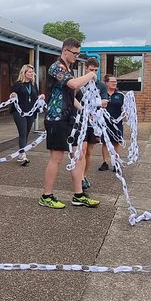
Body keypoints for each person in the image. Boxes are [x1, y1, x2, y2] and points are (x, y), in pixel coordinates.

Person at [40, 38, 101, 209]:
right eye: (74, 53)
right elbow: (73, 84)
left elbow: (71, 96)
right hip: (56, 118)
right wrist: (90, 74)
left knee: (78, 155)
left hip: (69, 118)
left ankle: (78, 194)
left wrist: (83, 110)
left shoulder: (69, 68)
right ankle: (47, 195)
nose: (76, 56)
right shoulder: (56, 68)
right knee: (57, 157)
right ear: (65, 51)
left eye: (78, 53)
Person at [75, 57, 101, 189]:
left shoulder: (99, 85)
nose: (93, 72)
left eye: (96, 70)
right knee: (82, 149)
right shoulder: (79, 83)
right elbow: (71, 97)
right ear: (86, 69)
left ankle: (84, 175)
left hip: (93, 123)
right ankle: (79, 178)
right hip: (79, 121)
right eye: (91, 70)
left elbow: (104, 101)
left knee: (89, 151)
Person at [9, 64, 42, 166]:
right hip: (19, 112)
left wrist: (41, 97)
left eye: (32, 72)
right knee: (22, 132)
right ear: (24, 73)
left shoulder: (33, 85)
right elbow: (11, 95)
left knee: (27, 132)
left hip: (30, 111)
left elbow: (36, 96)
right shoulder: (18, 84)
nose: (32, 74)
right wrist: (13, 95)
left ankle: (21, 152)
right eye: (29, 72)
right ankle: (23, 154)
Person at [98, 74, 125, 171]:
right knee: (105, 142)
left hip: (117, 123)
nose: (114, 83)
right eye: (112, 82)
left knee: (116, 142)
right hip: (104, 122)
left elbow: (126, 108)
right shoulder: (101, 94)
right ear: (106, 83)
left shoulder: (120, 95)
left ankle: (116, 162)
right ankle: (105, 162)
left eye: (115, 82)